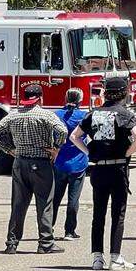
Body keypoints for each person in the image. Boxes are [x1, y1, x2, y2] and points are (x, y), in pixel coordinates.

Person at [71, 77, 136, 271]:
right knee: (118, 213)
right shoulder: (124, 114)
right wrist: (126, 153)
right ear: (123, 93)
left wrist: (89, 152)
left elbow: (74, 136)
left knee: (98, 214)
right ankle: (115, 257)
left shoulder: (93, 114)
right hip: (118, 168)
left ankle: (97, 257)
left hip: (99, 168)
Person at [0, 83, 68, 255]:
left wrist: (9, 149)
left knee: (18, 205)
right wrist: (56, 148)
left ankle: (12, 243)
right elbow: (62, 130)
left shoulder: (13, 115)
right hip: (41, 163)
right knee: (45, 203)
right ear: (40, 98)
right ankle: (45, 243)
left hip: (19, 162)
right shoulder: (46, 115)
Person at [52, 88, 89, 241]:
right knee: (73, 199)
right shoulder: (84, 116)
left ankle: (48, 227)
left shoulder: (56, 115)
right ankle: (69, 230)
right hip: (78, 162)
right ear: (80, 100)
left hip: (59, 162)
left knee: (55, 198)